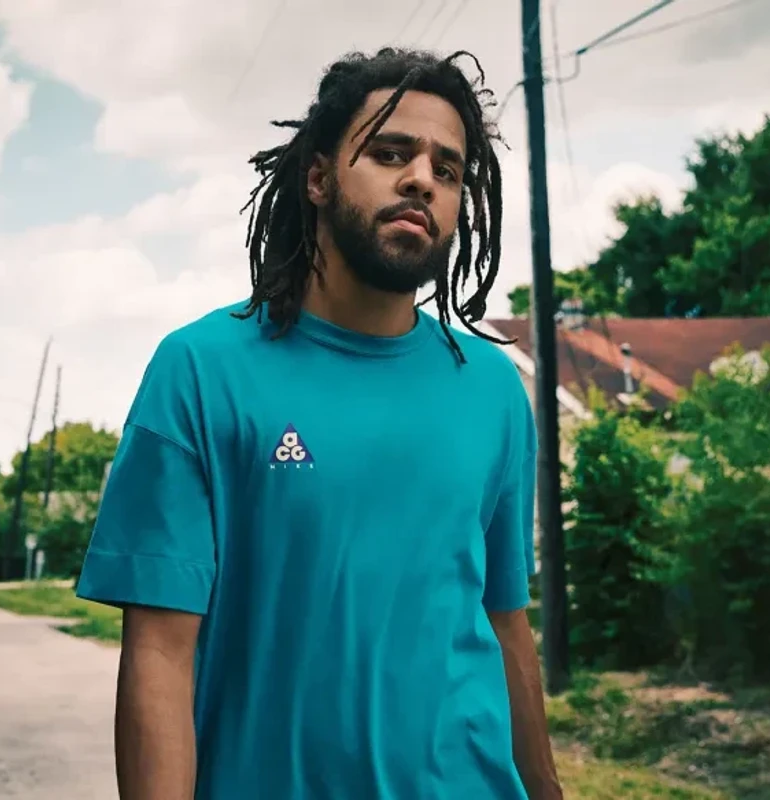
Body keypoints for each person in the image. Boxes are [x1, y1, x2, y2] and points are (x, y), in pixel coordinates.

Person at [76, 46, 563, 800]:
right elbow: (160, 655)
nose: (421, 180)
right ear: (317, 176)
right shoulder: (202, 372)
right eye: (391, 153)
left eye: (448, 169)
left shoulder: (495, 391)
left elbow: (505, 625)